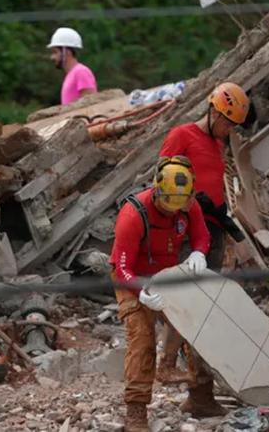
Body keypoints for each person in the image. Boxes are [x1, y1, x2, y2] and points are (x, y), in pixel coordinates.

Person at [109, 156, 225, 431]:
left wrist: (199, 251)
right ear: (158, 189)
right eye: (167, 207)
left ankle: (201, 396)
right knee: (142, 338)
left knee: (198, 327)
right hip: (131, 277)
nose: (173, 213)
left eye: (179, 208)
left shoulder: (188, 204)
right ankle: (136, 410)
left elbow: (201, 235)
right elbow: (121, 264)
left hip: (168, 273)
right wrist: (141, 290)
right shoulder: (133, 214)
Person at [154, 83, 249, 383]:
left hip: (214, 228)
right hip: (185, 228)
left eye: (233, 126)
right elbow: (162, 179)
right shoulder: (181, 136)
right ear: (212, 112)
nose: (228, 130)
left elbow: (216, 189)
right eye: (226, 123)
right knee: (186, 296)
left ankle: (200, 378)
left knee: (206, 302)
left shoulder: (218, 145)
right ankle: (167, 363)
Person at [47, 27, 97, 105]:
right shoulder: (71, 75)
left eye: (55, 52)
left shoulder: (81, 72)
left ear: (67, 52)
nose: (52, 57)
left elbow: (90, 105)